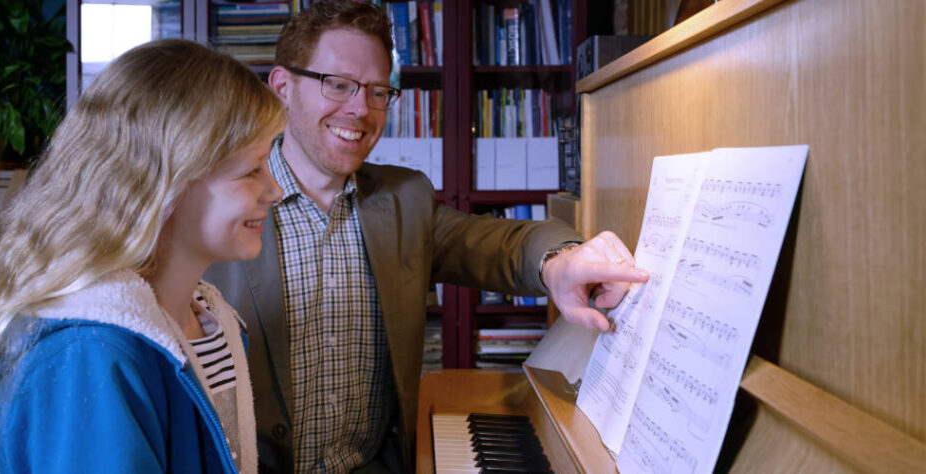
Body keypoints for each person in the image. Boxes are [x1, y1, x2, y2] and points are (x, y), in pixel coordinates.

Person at [204, 1, 649, 471]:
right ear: (283, 88)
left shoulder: (404, 199)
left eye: (378, 91)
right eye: (337, 85)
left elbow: (501, 244)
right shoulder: (213, 201)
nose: (360, 109)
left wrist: (562, 260)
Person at [0, 39, 284, 473]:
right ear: (167, 181)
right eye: (252, 169)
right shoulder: (91, 354)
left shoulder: (204, 321)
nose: (274, 190)